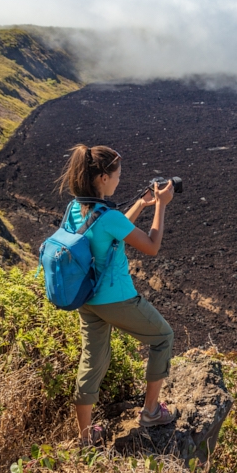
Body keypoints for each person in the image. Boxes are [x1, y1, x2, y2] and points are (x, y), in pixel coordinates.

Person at [56, 144, 176, 445]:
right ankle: (150, 412)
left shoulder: (74, 208)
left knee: (92, 358)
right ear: (103, 178)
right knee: (163, 337)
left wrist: (140, 204)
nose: (120, 180)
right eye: (118, 175)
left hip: (85, 298)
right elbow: (151, 245)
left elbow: (107, 228)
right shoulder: (108, 216)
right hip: (115, 298)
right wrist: (162, 205)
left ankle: (85, 437)